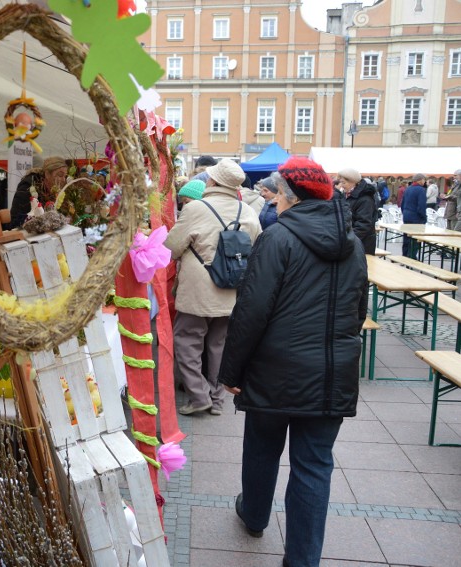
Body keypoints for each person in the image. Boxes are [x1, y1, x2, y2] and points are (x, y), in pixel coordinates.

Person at [218, 156, 367, 567]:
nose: (276, 202)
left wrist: (231, 372)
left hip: (275, 369)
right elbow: (358, 308)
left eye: (279, 194)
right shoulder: (352, 243)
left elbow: (251, 311)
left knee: (263, 446)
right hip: (332, 371)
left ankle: (254, 514)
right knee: (314, 465)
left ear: (290, 196)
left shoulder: (277, 238)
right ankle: (302, 560)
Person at [164, 159, 261, 416]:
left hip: (198, 286)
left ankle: (198, 396)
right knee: (219, 344)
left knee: (187, 340)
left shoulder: (196, 208)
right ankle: (217, 400)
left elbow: (171, 247)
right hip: (231, 287)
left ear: (213, 182)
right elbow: (258, 247)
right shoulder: (248, 211)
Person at [9, 156, 69, 227]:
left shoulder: (54, 190)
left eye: (65, 176)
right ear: (47, 174)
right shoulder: (28, 187)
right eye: (60, 175)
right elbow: (18, 219)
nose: (63, 180)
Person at [337, 167, 379, 255]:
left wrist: (348, 240)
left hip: (362, 244)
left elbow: (363, 225)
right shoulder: (347, 195)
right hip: (352, 242)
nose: (341, 185)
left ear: (352, 182)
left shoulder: (365, 199)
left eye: (343, 182)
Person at [400, 174, 427, 257]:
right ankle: (411, 257)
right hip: (416, 217)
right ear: (420, 180)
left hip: (406, 216)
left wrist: (404, 213)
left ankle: (405, 255)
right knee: (415, 239)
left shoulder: (408, 189)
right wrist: (424, 217)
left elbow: (402, 203)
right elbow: (421, 206)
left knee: (406, 238)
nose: (424, 182)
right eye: (424, 180)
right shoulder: (421, 190)